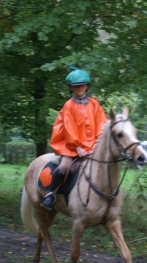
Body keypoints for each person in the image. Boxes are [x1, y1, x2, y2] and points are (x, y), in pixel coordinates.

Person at [40, 67, 107, 210]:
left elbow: (102, 124)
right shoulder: (68, 106)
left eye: (82, 85)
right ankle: (51, 195)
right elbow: (69, 129)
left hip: (93, 147)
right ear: (71, 88)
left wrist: (97, 145)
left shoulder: (95, 104)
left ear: (87, 86)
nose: (79, 88)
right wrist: (77, 147)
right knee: (64, 166)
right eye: (75, 86)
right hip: (72, 147)